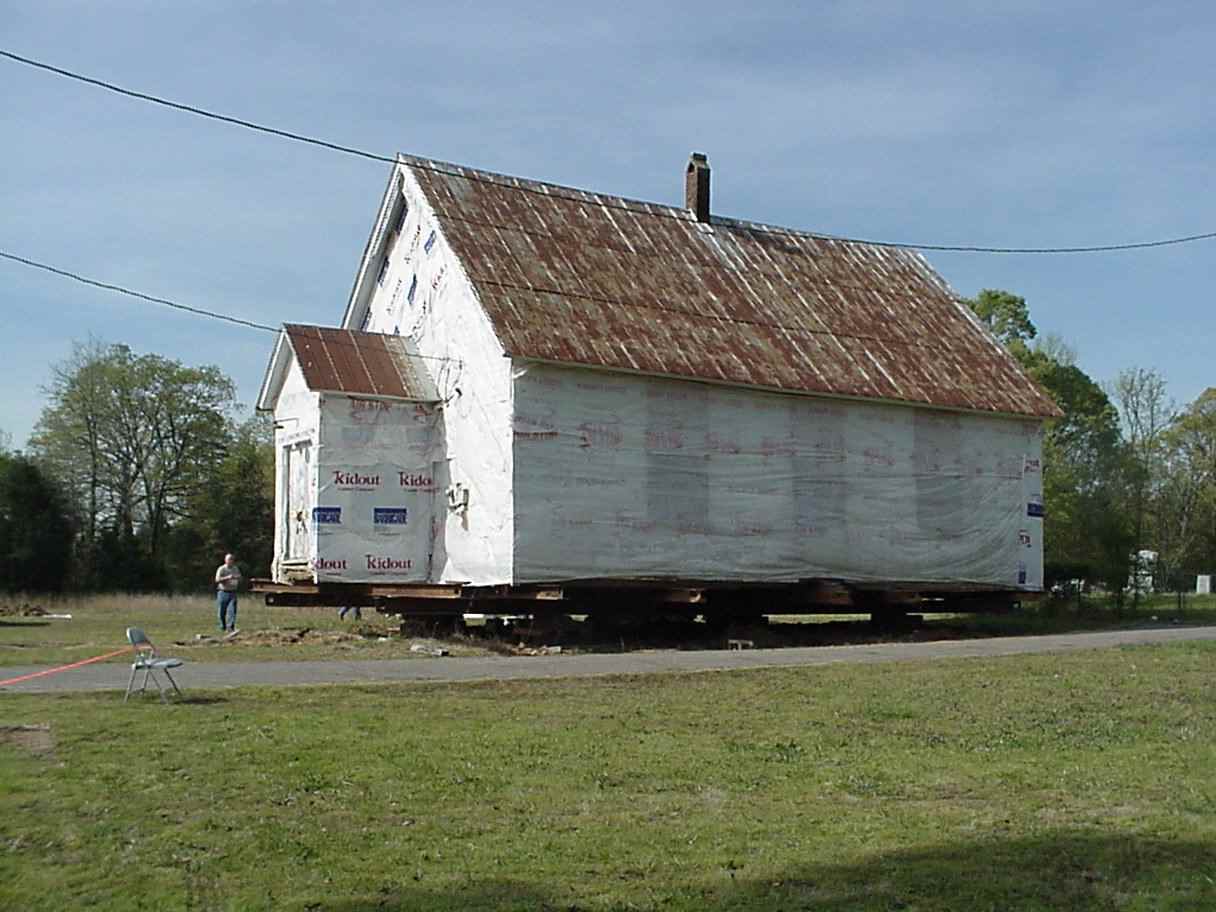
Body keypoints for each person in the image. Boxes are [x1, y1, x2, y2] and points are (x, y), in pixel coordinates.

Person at [215, 553, 242, 633]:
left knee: (232, 610)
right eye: (229, 559)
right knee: (221, 611)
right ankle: (222, 626)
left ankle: (230, 627)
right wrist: (227, 578)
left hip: (233, 592)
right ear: (225, 560)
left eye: (232, 559)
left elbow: (240, 577)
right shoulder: (222, 569)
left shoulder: (235, 568)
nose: (231, 561)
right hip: (223, 592)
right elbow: (217, 580)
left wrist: (237, 578)